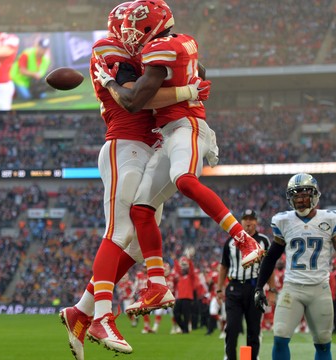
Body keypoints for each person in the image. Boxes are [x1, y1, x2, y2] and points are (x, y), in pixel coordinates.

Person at [58, 3, 211, 358]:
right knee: (118, 231)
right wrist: (188, 90)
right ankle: (101, 315)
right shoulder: (108, 50)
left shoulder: (155, 49)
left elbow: (194, 69)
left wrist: (183, 65)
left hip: (150, 148)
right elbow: (136, 100)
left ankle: (80, 310)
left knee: (140, 244)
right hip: (125, 144)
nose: (132, 35)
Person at [93, 0, 264, 317]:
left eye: (135, 29)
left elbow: (133, 101)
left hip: (187, 126)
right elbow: (198, 72)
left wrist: (109, 82)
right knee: (141, 211)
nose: (131, 36)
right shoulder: (173, 44)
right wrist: (191, 85)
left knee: (183, 180)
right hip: (166, 135)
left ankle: (245, 240)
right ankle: (157, 285)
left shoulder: (163, 48)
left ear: (150, 26)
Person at [253, 173, 336, 360]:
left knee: (323, 342)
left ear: (315, 196)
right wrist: (259, 286)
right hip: (292, 288)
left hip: (319, 289)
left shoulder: (330, 219)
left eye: (304, 195)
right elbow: (271, 256)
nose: (301, 200)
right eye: (296, 196)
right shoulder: (283, 221)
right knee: (279, 336)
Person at [216, 209, 271, 360]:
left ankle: (253, 357)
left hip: (255, 288)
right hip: (234, 287)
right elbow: (224, 266)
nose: (248, 222)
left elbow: (269, 267)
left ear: (256, 222)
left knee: (254, 329)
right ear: (241, 222)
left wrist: (271, 289)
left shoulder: (263, 241)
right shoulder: (230, 242)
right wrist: (219, 288)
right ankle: (230, 357)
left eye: (251, 219)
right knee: (232, 328)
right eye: (246, 219)